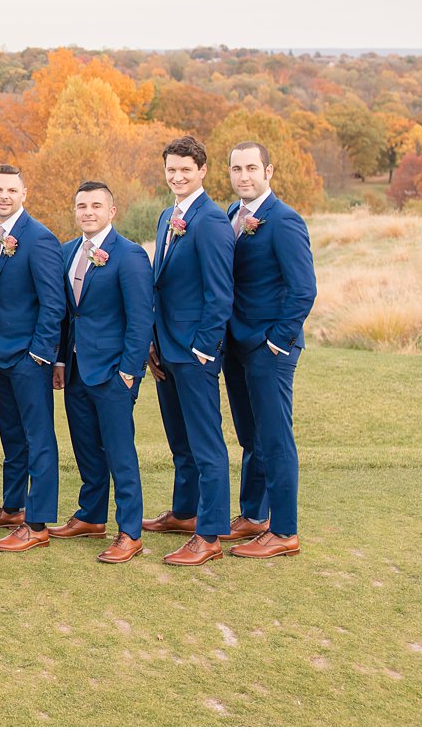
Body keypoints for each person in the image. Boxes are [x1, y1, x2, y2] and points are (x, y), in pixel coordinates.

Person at [143, 135, 236, 566]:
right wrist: (155, 343)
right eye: (171, 170)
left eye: (185, 170)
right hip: (166, 348)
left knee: (206, 445)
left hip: (194, 353)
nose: (177, 176)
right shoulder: (168, 216)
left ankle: (210, 535)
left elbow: (219, 294)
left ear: (202, 171)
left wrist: (203, 349)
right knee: (179, 441)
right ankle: (185, 512)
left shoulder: (211, 221)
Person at [222, 142, 317, 559]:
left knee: (275, 438)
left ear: (268, 171)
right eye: (236, 168)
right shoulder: (230, 215)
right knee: (251, 436)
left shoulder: (285, 221)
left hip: (269, 348)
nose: (244, 176)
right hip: (236, 344)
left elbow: (303, 290)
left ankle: (284, 531)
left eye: (251, 168)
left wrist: (276, 341)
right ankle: (254, 515)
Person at [53, 182, 154, 563]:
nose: (88, 212)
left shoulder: (129, 256)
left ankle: (130, 532)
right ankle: (91, 516)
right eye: (82, 206)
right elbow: (67, 315)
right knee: (85, 449)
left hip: (114, 372)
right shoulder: (66, 253)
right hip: (77, 369)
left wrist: (130, 372)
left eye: (96, 205)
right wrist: (61, 361)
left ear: (112, 211)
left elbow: (141, 318)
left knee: (119, 451)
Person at [0, 166, 67, 554]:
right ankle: (13, 506)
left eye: (12, 189)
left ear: (24, 192)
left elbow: (53, 303)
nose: (4, 196)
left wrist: (41, 355)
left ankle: (38, 522)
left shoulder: (40, 238)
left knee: (38, 437)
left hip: (29, 357)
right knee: (12, 436)